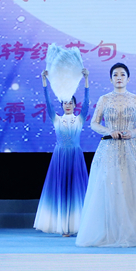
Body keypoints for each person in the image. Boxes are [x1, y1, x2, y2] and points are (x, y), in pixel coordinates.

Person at [75, 63, 136, 247]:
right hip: (109, 148)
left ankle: (134, 233)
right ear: (110, 79)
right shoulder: (104, 99)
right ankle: (110, 233)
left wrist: (133, 132)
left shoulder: (135, 99)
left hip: (132, 148)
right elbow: (94, 123)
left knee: (133, 189)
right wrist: (109, 131)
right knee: (109, 189)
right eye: (115, 75)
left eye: (122, 74)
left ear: (128, 79)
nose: (119, 77)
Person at [34, 68, 90, 237]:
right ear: (62, 105)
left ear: (74, 105)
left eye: (70, 102)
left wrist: (86, 79)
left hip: (75, 157)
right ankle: (63, 227)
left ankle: (76, 225)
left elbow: (87, 103)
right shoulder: (56, 119)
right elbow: (48, 103)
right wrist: (44, 81)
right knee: (62, 190)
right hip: (60, 158)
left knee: (75, 191)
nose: (68, 105)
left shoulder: (79, 119)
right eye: (65, 102)